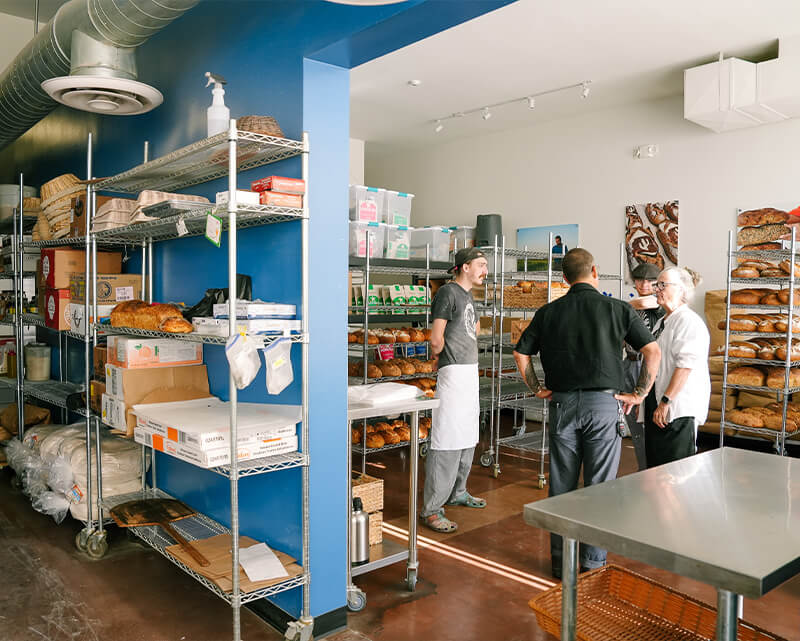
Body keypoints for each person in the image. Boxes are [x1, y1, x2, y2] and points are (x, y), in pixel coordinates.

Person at [513, 248, 660, 578]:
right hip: (603, 405)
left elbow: (521, 353)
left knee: (561, 487)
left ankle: (560, 563)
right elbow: (652, 350)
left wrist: (537, 387)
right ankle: (593, 563)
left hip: (562, 404)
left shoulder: (548, 312)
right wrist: (639, 393)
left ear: (564, 279)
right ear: (595, 271)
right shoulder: (618, 308)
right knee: (600, 488)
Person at [420, 247, 489, 533]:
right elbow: (436, 338)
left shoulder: (467, 295)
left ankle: (458, 491)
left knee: (467, 433)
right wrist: (438, 358)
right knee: (446, 437)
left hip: (468, 372)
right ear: (464, 267)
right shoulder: (448, 293)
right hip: (453, 372)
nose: (486, 270)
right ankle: (432, 509)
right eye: (481, 265)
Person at [643, 267, 710, 467]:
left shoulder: (688, 322)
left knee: (675, 473)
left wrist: (665, 402)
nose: (657, 289)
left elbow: (685, 366)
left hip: (677, 409)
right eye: (657, 285)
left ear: (681, 290)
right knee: (656, 471)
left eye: (663, 285)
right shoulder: (663, 322)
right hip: (658, 404)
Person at [623, 262, 665, 470]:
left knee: (649, 422)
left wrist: (623, 307)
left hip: (649, 365)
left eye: (650, 281)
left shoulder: (659, 303)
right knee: (634, 424)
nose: (644, 284)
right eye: (640, 280)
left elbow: (644, 303)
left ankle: (653, 470)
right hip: (629, 364)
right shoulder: (632, 305)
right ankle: (643, 469)